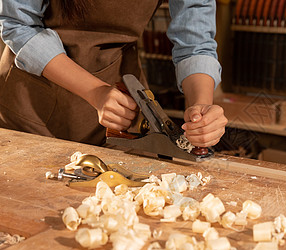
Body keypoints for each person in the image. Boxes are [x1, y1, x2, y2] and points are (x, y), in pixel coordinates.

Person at [0, 0, 227, 147]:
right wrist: (96, 91)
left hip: (120, 98)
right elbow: (19, 25)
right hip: (33, 99)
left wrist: (202, 111)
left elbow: (195, 43)